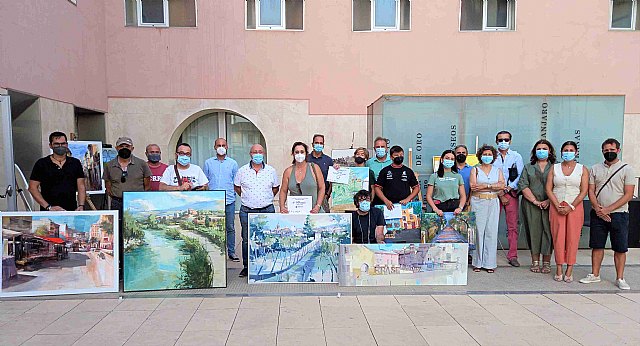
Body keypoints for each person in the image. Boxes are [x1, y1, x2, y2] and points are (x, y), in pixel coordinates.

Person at [580, 138, 636, 290]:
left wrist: (608, 209)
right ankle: (595, 274)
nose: (609, 153)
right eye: (606, 150)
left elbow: (628, 194)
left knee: (620, 247)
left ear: (618, 150)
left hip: (619, 214)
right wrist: (598, 208)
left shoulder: (627, 169)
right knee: (597, 245)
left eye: (612, 150)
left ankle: (620, 277)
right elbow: (591, 190)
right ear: (602, 151)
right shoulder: (595, 168)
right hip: (598, 214)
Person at [234, 144, 280, 277]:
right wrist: (248, 198)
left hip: (267, 209)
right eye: (255, 152)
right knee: (247, 239)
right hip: (247, 210)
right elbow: (237, 187)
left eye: (260, 152)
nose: (258, 154)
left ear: (264, 154)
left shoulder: (271, 171)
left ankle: (268, 265)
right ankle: (247, 267)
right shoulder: (242, 171)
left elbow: (275, 188)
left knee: (268, 238)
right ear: (250, 154)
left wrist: (265, 198)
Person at [546, 141, 589, 283]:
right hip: (557, 205)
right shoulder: (555, 168)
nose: (568, 152)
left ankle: (569, 268)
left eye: (571, 150)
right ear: (561, 152)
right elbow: (548, 189)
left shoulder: (582, 169)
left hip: (574, 207)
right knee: (558, 237)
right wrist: (557, 205)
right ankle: (558, 267)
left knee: (572, 237)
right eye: (565, 150)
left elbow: (584, 191)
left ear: (576, 152)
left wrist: (571, 206)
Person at [518, 139, 555, 275]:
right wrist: (535, 201)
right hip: (531, 204)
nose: (541, 151)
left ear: (550, 151)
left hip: (551, 204)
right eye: (538, 149)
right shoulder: (528, 167)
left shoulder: (555, 167)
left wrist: (549, 201)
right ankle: (535, 261)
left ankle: (546, 262)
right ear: (534, 151)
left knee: (549, 232)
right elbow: (523, 185)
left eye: (544, 148)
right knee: (533, 231)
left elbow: (559, 185)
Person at [470, 145, 505, 273]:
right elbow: (474, 187)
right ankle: (477, 262)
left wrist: (485, 185)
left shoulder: (497, 170)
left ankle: (489, 263)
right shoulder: (475, 170)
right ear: (480, 156)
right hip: (478, 201)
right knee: (479, 231)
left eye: (490, 154)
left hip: (493, 201)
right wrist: (492, 186)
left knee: (491, 231)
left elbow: (502, 185)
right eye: (485, 154)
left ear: (494, 156)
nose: (487, 157)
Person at [28, 131, 86, 211]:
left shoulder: (75, 163)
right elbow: (32, 187)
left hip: (71, 210)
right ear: (50, 145)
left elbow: (81, 186)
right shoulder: (41, 164)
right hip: (49, 212)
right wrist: (48, 207)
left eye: (63, 144)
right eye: (57, 144)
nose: (60, 146)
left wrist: (81, 205)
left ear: (67, 145)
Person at [204, 138, 240, 262]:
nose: (221, 147)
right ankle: (216, 252)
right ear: (214, 147)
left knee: (230, 227)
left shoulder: (233, 163)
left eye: (223, 145)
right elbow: (205, 181)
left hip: (229, 200)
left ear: (227, 147)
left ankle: (231, 252)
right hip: (214, 201)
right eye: (218, 145)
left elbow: (236, 182)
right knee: (213, 227)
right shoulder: (208, 163)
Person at [494, 130, 524, 267]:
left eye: (506, 140)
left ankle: (513, 255)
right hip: (494, 195)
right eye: (500, 140)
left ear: (510, 141)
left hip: (511, 193)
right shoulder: (491, 155)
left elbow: (520, 175)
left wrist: (509, 188)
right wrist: (500, 192)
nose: (503, 142)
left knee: (512, 226)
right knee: (491, 226)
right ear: (496, 141)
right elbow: (489, 174)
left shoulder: (516, 156)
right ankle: (489, 255)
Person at [104, 137, 151, 214]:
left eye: (127, 146)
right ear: (116, 148)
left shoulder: (142, 164)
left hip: (137, 202)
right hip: (117, 202)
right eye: (121, 146)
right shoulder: (109, 165)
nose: (124, 148)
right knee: (118, 225)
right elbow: (108, 186)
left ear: (132, 148)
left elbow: (147, 185)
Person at [280, 142, 326, 214]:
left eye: (302, 152)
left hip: (315, 213)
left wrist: (318, 206)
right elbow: (283, 191)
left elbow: (322, 187)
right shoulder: (288, 171)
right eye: (297, 152)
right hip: (295, 214)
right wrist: (282, 206)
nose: (299, 154)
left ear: (306, 154)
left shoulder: (314, 168)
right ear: (293, 154)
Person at [374, 145, 421, 210]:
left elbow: (416, 187)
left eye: (401, 154)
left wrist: (408, 199)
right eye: (396, 155)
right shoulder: (385, 171)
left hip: (405, 206)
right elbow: (377, 188)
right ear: (391, 157)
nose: (399, 157)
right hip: (388, 205)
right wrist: (386, 200)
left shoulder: (408, 171)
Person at [426, 150, 466, 216]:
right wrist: (435, 209)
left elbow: (463, 195)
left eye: (452, 159)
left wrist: (460, 208)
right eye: (447, 158)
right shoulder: (434, 176)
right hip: (440, 208)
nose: (449, 160)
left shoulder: (458, 176)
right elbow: (428, 196)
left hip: (455, 208)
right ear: (442, 160)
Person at [306, 134, 333, 212]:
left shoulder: (328, 160)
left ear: (323, 145)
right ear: (312, 144)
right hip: (308, 196)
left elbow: (331, 181)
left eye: (321, 143)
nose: (319, 145)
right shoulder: (306, 159)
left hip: (323, 197)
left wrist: (327, 195)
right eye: (317, 143)